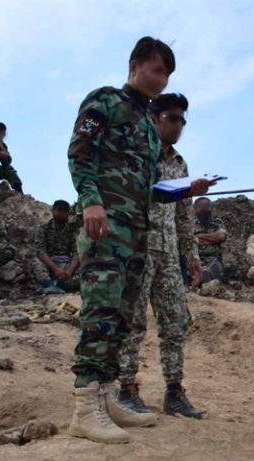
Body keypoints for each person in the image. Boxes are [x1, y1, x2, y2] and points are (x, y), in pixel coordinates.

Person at [67, 36, 175, 444]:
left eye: (167, 74)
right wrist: (91, 202)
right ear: (135, 65)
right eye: (158, 70)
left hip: (137, 234)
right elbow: (80, 152)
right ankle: (83, 408)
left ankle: (107, 397)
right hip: (105, 227)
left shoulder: (149, 127)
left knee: (124, 318)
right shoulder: (105, 100)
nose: (162, 81)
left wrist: (185, 188)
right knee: (100, 312)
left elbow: (149, 187)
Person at [118, 93, 209, 420]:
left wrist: (192, 253)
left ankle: (174, 392)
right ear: (155, 117)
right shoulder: (138, 152)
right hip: (136, 248)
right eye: (173, 118)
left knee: (175, 321)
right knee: (133, 322)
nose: (179, 126)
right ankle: (126, 389)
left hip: (169, 252)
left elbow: (184, 215)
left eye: (183, 120)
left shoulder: (180, 163)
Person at [31, 200, 80, 295]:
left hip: (67, 264)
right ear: (53, 211)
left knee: (86, 268)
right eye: (59, 210)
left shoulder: (72, 230)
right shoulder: (43, 228)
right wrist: (56, 269)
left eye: (65, 211)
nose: (62, 213)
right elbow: (40, 251)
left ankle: (63, 285)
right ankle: (49, 284)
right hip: (50, 263)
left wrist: (69, 271)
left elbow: (77, 252)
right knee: (36, 263)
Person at [193, 197, 227, 284]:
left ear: (210, 208)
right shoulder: (191, 225)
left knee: (214, 267)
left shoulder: (217, 223)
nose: (204, 208)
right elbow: (190, 240)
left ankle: (206, 276)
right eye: (201, 206)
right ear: (196, 209)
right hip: (197, 259)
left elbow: (221, 237)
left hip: (214, 258)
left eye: (206, 205)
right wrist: (213, 239)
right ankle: (204, 276)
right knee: (196, 269)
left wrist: (199, 236)